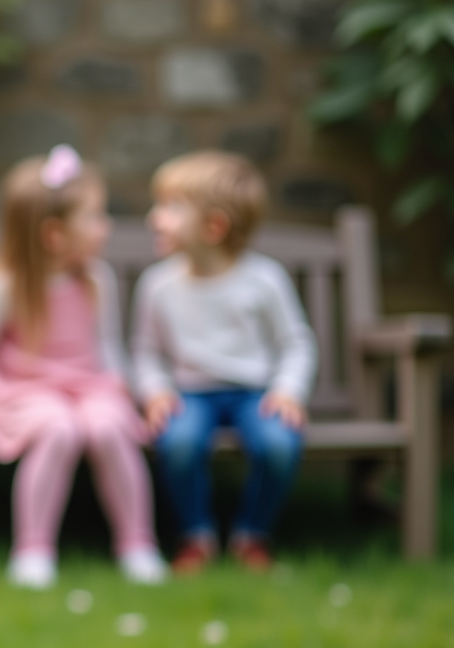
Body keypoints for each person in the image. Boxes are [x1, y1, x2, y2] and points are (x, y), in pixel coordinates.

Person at [0, 145, 167, 589]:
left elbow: (108, 348)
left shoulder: (96, 279)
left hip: (90, 387)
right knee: (59, 429)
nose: (107, 227)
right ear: (55, 235)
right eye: (96, 217)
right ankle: (33, 549)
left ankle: (137, 543)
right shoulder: (4, 285)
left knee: (108, 427)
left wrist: (135, 395)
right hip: (27, 391)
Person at [132, 150, 316, 573]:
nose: (154, 218)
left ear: (214, 226)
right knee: (177, 442)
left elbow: (296, 343)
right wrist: (156, 390)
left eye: (170, 207)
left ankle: (252, 533)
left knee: (278, 445)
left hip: (254, 393)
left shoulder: (264, 280)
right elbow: (147, 352)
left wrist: (288, 389)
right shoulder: (158, 285)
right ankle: (197, 535)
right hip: (191, 394)